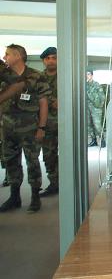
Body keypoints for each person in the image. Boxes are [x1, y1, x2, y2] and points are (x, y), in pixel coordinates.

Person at [0, 44, 50, 213]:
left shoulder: (36, 76)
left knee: (33, 162)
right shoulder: (3, 76)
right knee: (11, 162)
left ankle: (35, 197)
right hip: (7, 128)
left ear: (18, 56)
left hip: (30, 127)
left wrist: (41, 127)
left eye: (7, 54)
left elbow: (44, 103)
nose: (5, 57)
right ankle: (15, 197)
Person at [0, 59, 27, 187]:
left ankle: (10, 179)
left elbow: (18, 83)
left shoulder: (3, 68)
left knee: (8, 149)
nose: (6, 57)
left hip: (8, 117)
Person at [39, 47, 59, 197]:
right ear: (44, 60)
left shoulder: (66, 76)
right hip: (46, 123)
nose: (51, 61)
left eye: (54, 58)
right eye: (48, 58)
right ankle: (54, 183)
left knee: (68, 154)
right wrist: (52, 101)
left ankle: (68, 182)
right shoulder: (37, 78)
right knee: (48, 155)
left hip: (65, 123)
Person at [86, 69, 105, 147]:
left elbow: (102, 97)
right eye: (86, 74)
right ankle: (94, 140)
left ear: (92, 75)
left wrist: (99, 106)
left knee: (97, 125)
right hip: (87, 108)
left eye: (88, 74)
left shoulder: (96, 85)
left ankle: (102, 139)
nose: (87, 76)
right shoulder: (84, 85)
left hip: (96, 108)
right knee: (89, 125)